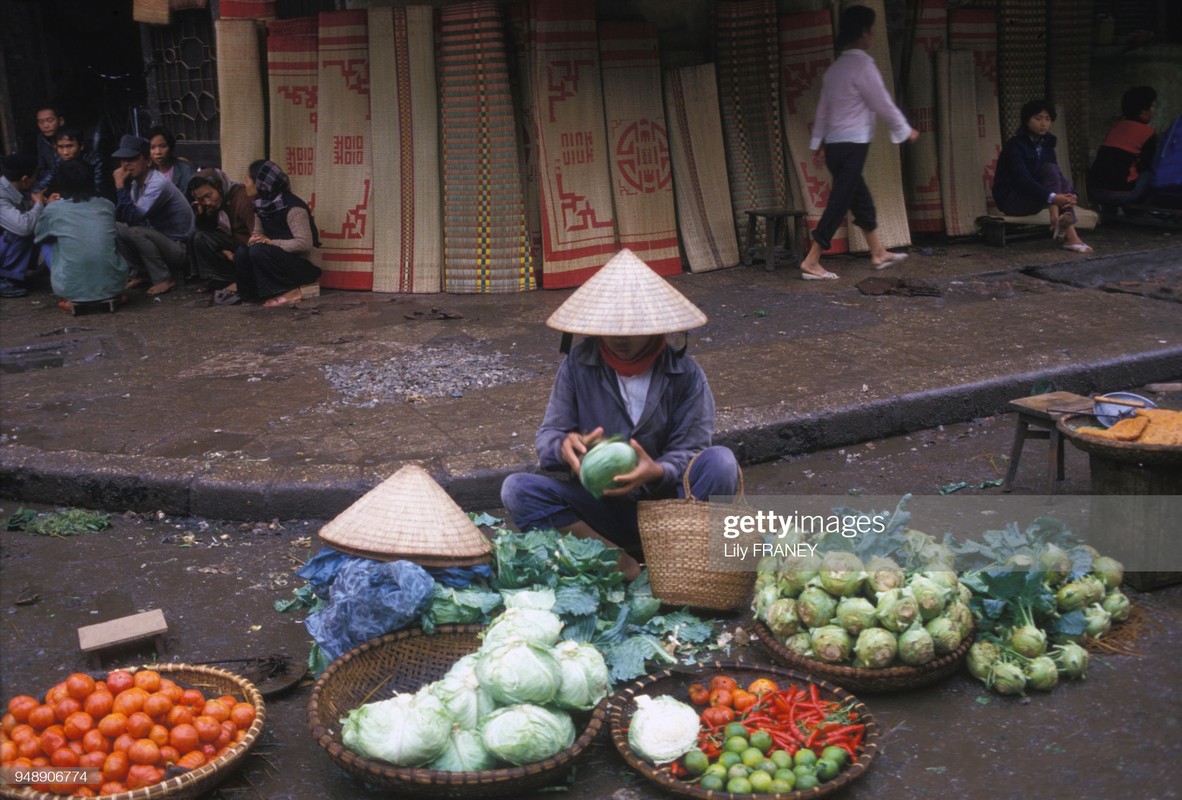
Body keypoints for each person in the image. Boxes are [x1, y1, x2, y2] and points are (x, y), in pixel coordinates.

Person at [500, 248, 740, 579]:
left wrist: (657, 470)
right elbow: (548, 437)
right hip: (604, 510)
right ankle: (615, 561)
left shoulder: (686, 374)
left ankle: (684, 557)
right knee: (517, 489)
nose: (620, 339)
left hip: (668, 508)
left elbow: (693, 450)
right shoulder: (577, 366)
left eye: (632, 330)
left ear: (657, 326)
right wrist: (563, 446)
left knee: (720, 462)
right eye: (611, 328)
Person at [798, 4, 919, 281]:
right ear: (865, 33)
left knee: (859, 197)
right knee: (840, 201)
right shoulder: (863, 66)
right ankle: (812, 260)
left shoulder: (836, 70)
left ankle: (877, 251)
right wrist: (904, 130)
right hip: (853, 145)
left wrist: (818, 144)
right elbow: (882, 103)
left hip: (836, 147)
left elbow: (823, 111)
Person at [993, 99, 1092, 254]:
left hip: (1037, 197)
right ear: (1027, 121)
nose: (1043, 124)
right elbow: (1023, 181)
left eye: (1047, 119)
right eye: (1038, 118)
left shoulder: (1047, 143)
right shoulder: (1014, 146)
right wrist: (1053, 198)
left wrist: (1071, 195)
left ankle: (1056, 219)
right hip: (1013, 199)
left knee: (1051, 169)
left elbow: (1055, 174)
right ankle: (1068, 234)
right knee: (1054, 187)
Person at [222, 159, 320, 308]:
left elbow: (304, 244)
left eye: (248, 180)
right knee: (243, 252)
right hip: (280, 259)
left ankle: (290, 291)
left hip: (304, 266)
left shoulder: (293, 208)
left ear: (260, 183)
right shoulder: (261, 205)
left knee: (258, 251)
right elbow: (257, 234)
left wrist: (271, 242)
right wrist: (254, 240)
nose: (245, 184)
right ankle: (250, 294)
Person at [34, 159, 128, 310]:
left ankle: (71, 295)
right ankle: (110, 291)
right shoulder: (107, 205)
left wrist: (48, 206)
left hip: (69, 289)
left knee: (47, 242)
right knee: (108, 237)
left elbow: (39, 235)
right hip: (115, 285)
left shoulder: (54, 209)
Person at [111, 134, 194, 296]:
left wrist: (120, 185)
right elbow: (125, 216)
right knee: (114, 228)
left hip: (180, 247)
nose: (126, 165)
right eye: (123, 160)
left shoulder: (157, 183)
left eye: (132, 159)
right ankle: (141, 273)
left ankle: (164, 278)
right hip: (161, 241)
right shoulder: (136, 183)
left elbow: (135, 217)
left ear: (148, 161)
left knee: (136, 232)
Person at [1088, 86, 1158, 222]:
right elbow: (1148, 163)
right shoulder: (1147, 132)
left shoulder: (1116, 126)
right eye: (1152, 107)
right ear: (1144, 110)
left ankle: (1110, 211)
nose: (1153, 111)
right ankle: (1136, 210)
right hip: (1121, 194)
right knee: (1150, 173)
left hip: (1096, 190)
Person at [186, 167, 255, 290]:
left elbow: (257, 236)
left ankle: (241, 280)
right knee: (196, 235)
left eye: (208, 195)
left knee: (201, 237)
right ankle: (219, 279)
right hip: (235, 243)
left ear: (218, 187)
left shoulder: (242, 200)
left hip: (249, 248)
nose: (207, 202)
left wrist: (238, 254)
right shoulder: (218, 203)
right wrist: (202, 214)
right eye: (201, 199)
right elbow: (207, 231)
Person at [0, 154, 45, 298]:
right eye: (34, 176)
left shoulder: (11, 188)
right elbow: (23, 227)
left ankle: (16, 274)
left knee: (31, 220)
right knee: (23, 229)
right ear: (25, 179)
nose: (35, 180)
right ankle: (5, 279)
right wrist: (39, 205)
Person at [34, 127, 105, 197]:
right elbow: (46, 181)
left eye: (69, 146)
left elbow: (98, 190)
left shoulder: (94, 161)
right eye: (60, 147)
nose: (65, 152)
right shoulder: (59, 160)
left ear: (81, 146)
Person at [147, 126, 197, 194]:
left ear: (170, 147)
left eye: (163, 146)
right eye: (152, 147)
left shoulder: (185, 170)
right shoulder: (147, 171)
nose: (158, 152)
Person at [33, 103, 65, 185]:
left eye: (50, 121)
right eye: (41, 122)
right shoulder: (41, 139)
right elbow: (41, 168)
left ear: (60, 121)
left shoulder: (71, 139)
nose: (45, 126)